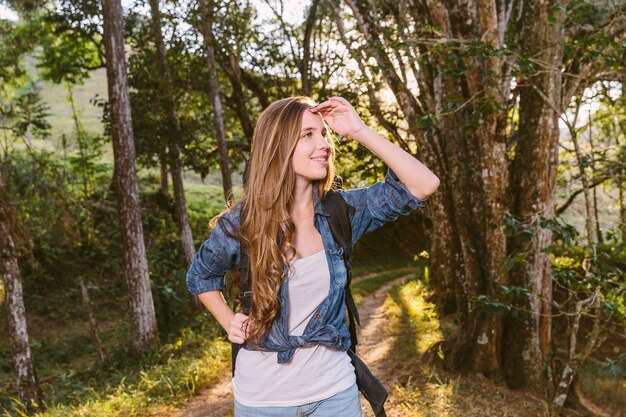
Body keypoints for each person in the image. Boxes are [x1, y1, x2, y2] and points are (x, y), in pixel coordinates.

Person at [186, 96, 439, 417]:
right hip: (264, 398)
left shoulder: (343, 211)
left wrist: (360, 131)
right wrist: (229, 321)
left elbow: (424, 184)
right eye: (308, 135)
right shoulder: (242, 224)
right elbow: (200, 276)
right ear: (278, 146)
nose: (324, 144)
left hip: (334, 389)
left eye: (324, 134)